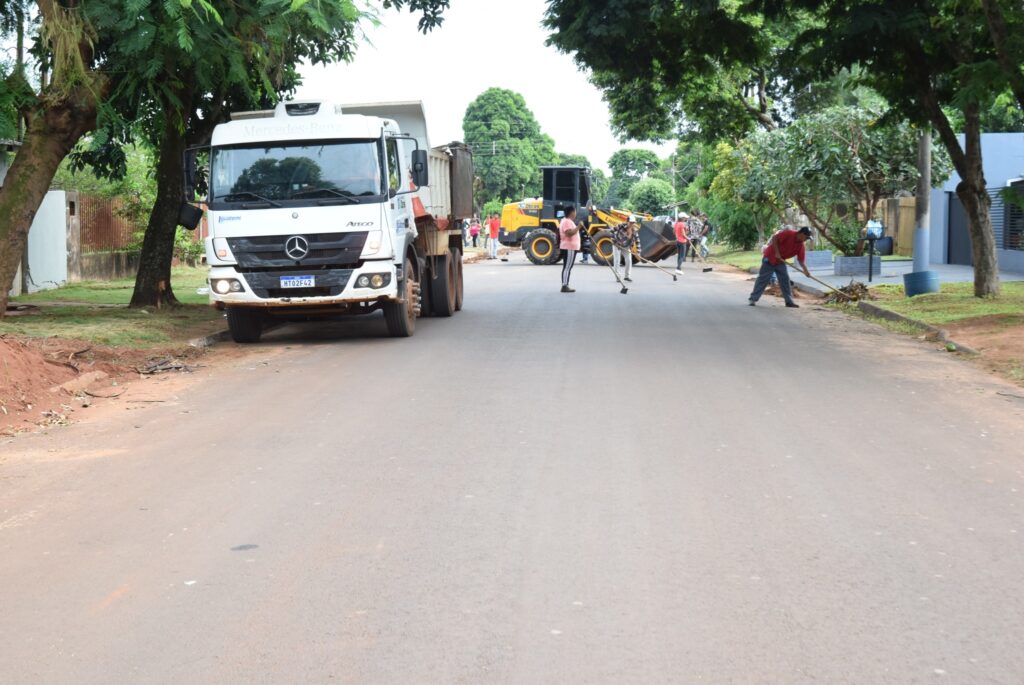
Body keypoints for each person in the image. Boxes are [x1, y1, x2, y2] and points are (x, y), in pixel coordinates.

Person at [748, 226, 813, 308]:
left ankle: (789, 302)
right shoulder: (789, 233)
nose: (806, 239)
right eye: (806, 237)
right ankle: (752, 299)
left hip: (780, 261)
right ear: (802, 234)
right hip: (770, 257)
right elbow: (775, 238)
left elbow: (801, 260)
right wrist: (777, 253)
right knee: (763, 279)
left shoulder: (800, 246)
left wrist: (806, 271)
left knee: (785, 280)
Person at [559, 205, 583, 292]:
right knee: (567, 267)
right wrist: (579, 227)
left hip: (570, 247)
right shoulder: (567, 221)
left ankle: (565, 284)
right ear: (572, 212)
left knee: (568, 266)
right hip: (569, 247)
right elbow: (569, 233)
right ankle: (564, 285)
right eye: (575, 211)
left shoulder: (568, 221)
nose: (575, 213)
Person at [611, 215, 638, 282]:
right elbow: (612, 231)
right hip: (617, 245)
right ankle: (618, 277)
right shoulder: (621, 226)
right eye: (631, 222)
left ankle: (627, 276)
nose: (632, 224)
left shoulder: (634, 230)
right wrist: (614, 240)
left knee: (629, 260)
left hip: (626, 246)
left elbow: (638, 241)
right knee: (617, 261)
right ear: (627, 221)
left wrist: (638, 253)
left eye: (633, 222)